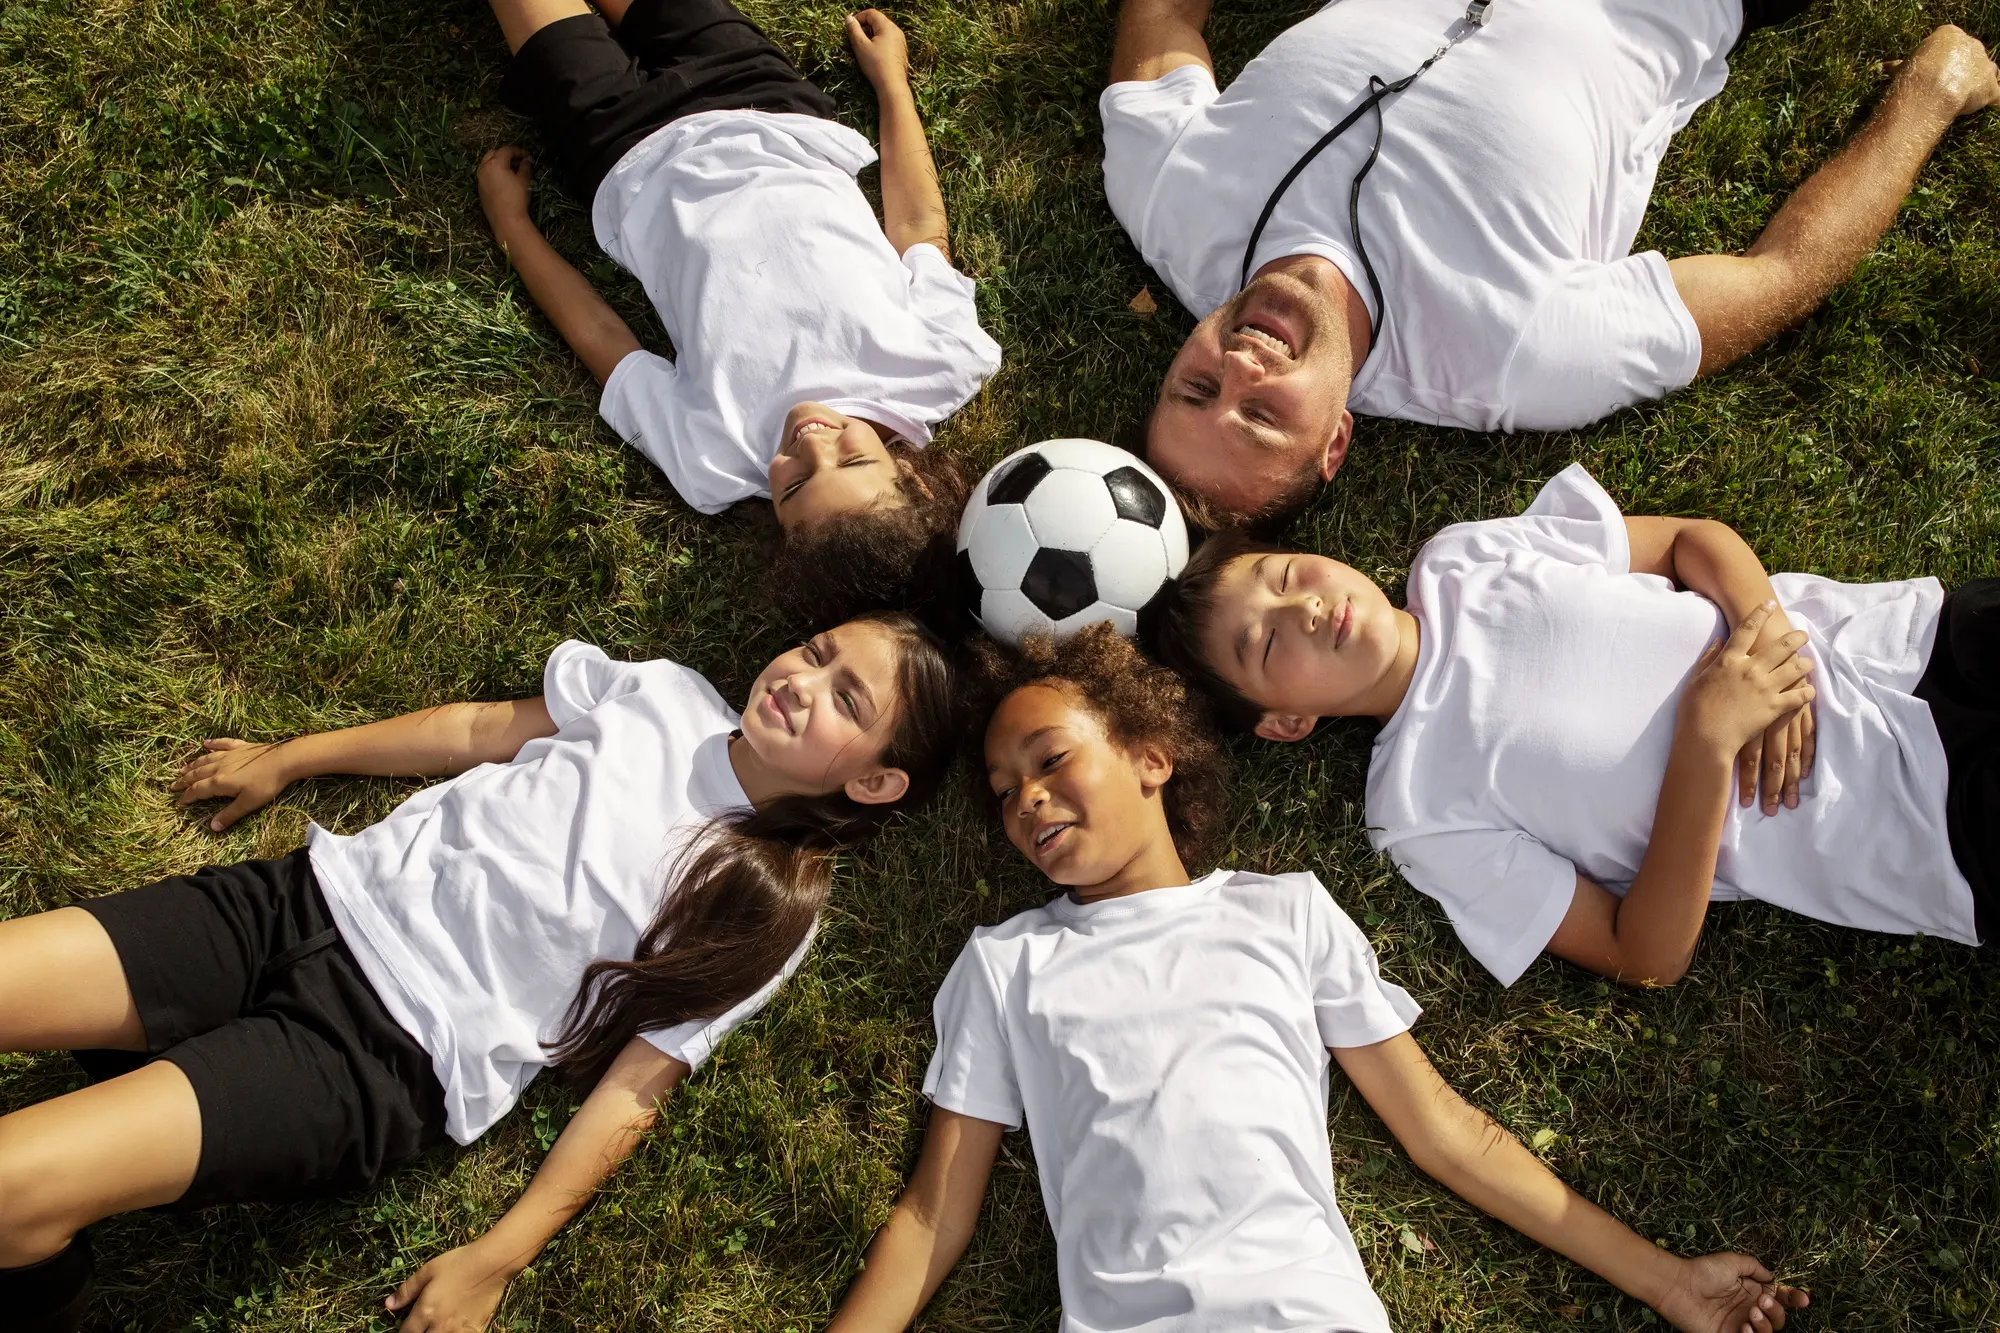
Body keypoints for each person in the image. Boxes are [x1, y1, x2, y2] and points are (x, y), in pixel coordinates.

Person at [822, 624, 1810, 1333]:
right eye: (1003, 793)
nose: (1026, 796)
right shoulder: (1006, 966)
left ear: (1149, 759)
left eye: (1049, 759)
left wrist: (1666, 1284)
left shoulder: (1281, 911)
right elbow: (930, 1215)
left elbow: (1446, 1134)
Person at [0, 614, 957, 1333]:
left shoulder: (771, 903)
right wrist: (290, 757)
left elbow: (636, 1087)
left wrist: (499, 1256)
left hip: (375, 1059)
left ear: (871, 782)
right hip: (293, 905)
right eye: (819, 651)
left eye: (848, 700)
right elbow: (471, 732)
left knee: (10, 1188)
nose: (804, 678)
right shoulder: (662, 694)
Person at [1100, 0, 2000, 524]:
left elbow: (1162, 16)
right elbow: (1777, 275)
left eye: (1196, 388)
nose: (1240, 367)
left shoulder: (1167, 196)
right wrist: (1932, 97)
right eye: (1260, 414)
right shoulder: (1512, 358)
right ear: (1335, 439)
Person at [1155, 464, 2000, 990]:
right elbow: (1645, 954)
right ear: (1286, 722)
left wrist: (1764, 624)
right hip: (1923, 823)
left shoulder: (1461, 559)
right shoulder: (1419, 807)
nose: (1302, 606)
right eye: (1264, 642)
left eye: (1283, 573)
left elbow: (1685, 543)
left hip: (1914, 635)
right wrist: (1706, 742)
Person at [475, 0, 1001, 622]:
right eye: (853, 458)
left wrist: (510, 224)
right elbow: (916, 226)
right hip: (763, 101)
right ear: (914, 477)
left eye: (795, 485)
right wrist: (892, 81)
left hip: (621, 149)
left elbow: (602, 339)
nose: (811, 444)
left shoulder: (712, 460)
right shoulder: (943, 363)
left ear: (778, 527)